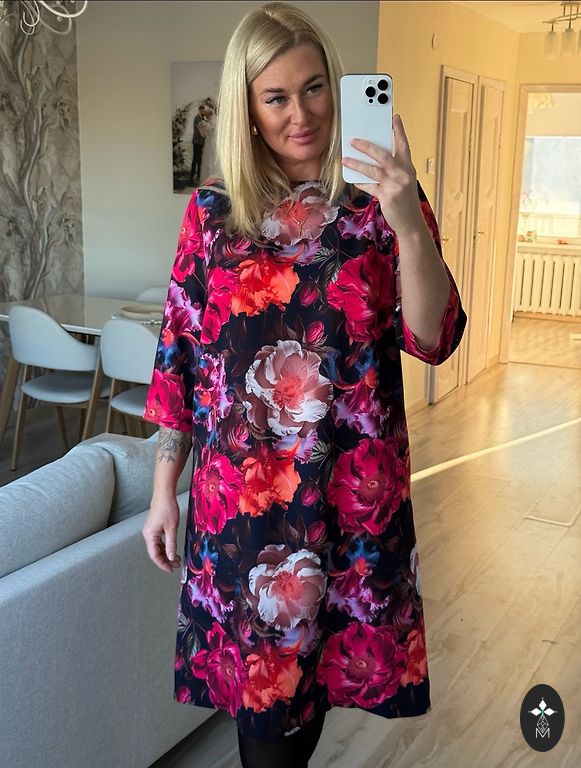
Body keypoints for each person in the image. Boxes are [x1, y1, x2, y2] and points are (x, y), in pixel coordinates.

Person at [142, 3, 467, 767]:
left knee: (309, 690)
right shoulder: (212, 213)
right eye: (276, 97)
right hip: (244, 511)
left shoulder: (379, 202)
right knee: (265, 714)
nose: (301, 114)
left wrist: (406, 221)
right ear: (247, 109)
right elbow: (178, 360)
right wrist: (163, 490)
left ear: (336, 85)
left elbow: (434, 336)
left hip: (348, 502)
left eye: (315, 88)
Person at [189, 103, 211, 186]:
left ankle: (199, 177)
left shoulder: (203, 118)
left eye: (204, 111)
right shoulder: (197, 118)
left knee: (200, 160)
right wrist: (206, 134)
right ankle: (191, 178)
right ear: (200, 110)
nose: (203, 112)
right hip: (196, 142)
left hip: (202, 142)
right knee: (195, 160)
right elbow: (201, 130)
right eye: (202, 110)